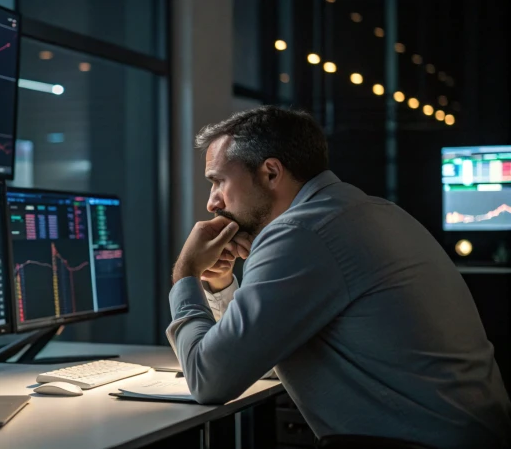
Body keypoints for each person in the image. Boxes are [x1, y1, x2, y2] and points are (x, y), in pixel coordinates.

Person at [168, 106, 511, 448]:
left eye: (218, 181)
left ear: (271, 173)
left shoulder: (299, 232)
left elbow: (208, 379)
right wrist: (220, 283)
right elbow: (251, 357)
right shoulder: (368, 211)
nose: (213, 202)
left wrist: (186, 272)